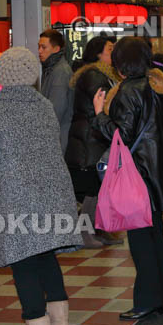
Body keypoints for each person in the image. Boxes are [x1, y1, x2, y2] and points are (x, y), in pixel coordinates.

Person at [0, 47, 82, 325]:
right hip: (54, 192)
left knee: (23, 261)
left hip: (20, 195)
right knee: (45, 255)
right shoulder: (44, 105)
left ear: (1, 75)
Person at [91, 37, 163, 320]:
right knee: (155, 235)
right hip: (159, 170)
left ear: (121, 65)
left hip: (137, 174)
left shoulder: (129, 91)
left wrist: (99, 114)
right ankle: (160, 297)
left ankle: (146, 301)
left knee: (141, 238)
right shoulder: (161, 87)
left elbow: (120, 135)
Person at [66, 35, 121, 249]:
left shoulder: (102, 74)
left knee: (100, 186)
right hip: (89, 139)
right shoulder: (94, 75)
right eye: (109, 49)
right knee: (93, 187)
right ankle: (84, 232)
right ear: (98, 53)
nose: (113, 52)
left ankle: (99, 229)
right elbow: (104, 103)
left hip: (94, 137)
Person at [38, 29, 73, 152]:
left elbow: (56, 109)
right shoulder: (50, 68)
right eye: (39, 47)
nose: (39, 51)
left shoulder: (60, 71)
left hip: (58, 136)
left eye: (44, 47)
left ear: (56, 49)